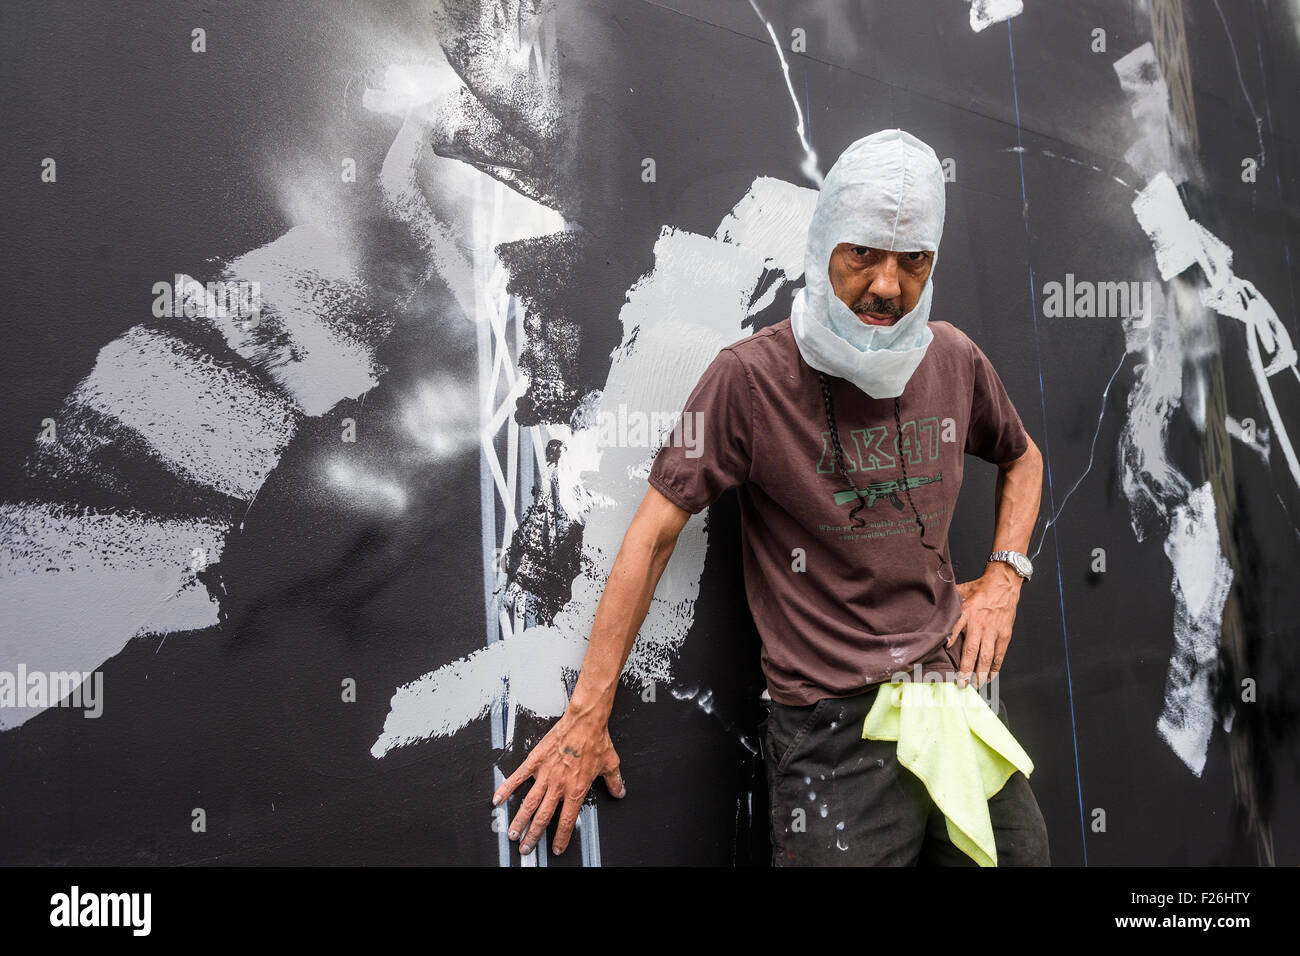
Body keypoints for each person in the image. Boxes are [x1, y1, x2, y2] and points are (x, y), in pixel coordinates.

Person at [491, 128, 1050, 865]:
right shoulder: (749, 378)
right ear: (822, 246)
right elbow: (653, 533)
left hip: (946, 701)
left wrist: (1006, 575)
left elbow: (1023, 455)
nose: (888, 285)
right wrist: (587, 715)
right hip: (832, 732)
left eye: (912, 261)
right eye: (864, 255)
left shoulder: (952, 357)